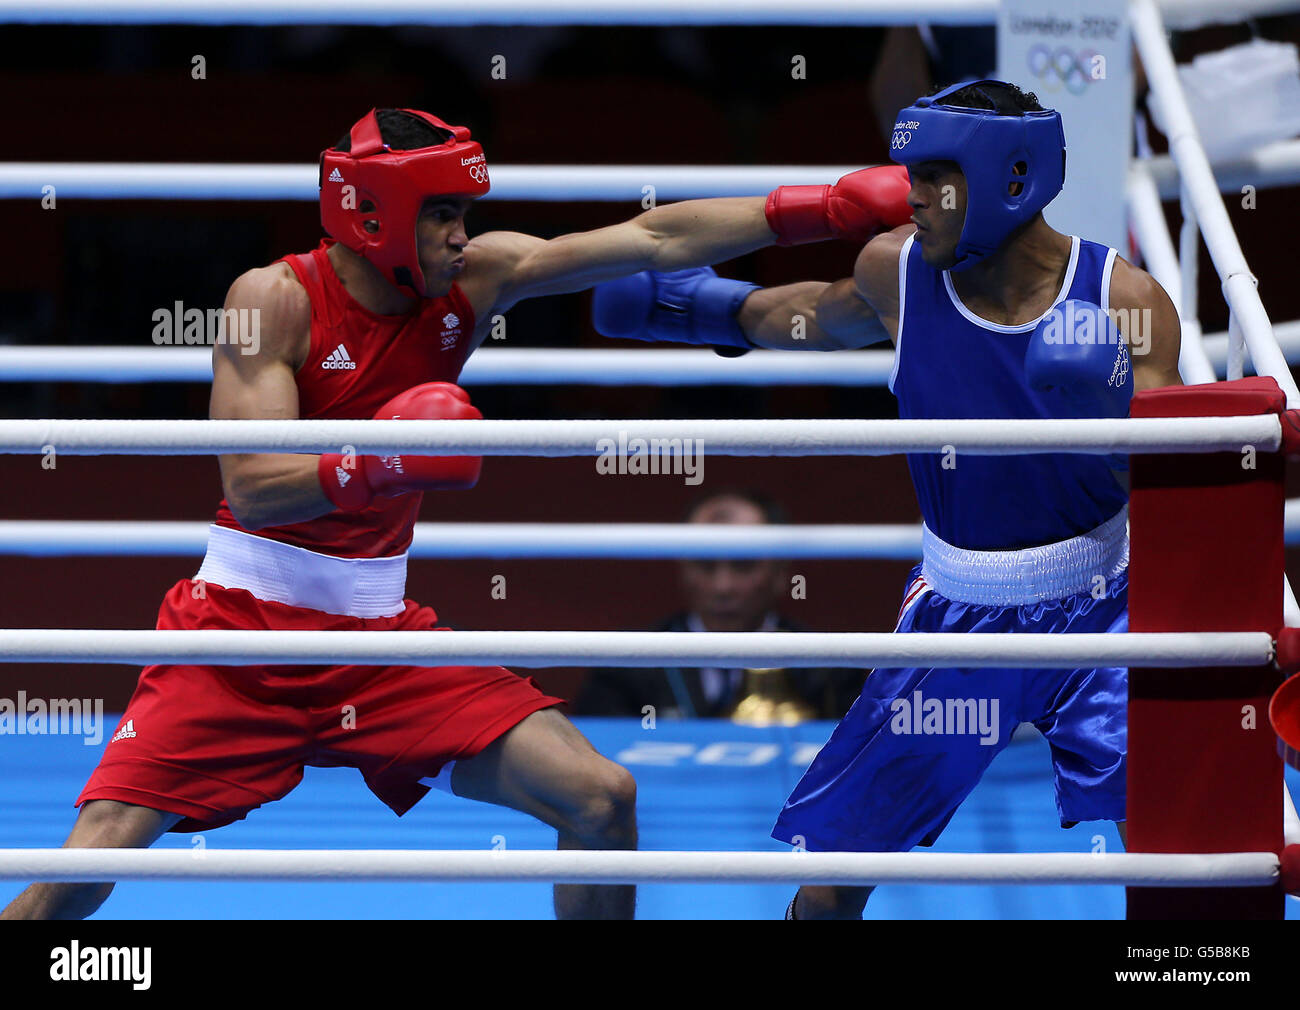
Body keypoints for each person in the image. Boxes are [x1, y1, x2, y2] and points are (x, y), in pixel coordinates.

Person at [1, 107, 914, 922]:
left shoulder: (470, 282)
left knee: (601, 798)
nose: (459, 234)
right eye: (441, 213)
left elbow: (652, 240)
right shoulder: (270, 300)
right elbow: (253, 484)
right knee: (75, 878)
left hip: (381, 640)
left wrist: (817, 210)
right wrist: (376, 456)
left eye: (461, 213)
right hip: (242, 638)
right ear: (373, 216)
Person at [592, 80, 1184, 919]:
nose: (912, 199)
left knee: (1175, 857)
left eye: (935, 178)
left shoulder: (1125, 303)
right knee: (829, 891)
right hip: (964, 616)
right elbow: (813, 316)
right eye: (910, 175)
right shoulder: (897, 270)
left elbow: (1179, 489)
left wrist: (1098, 417)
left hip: (1108, 605)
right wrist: (696, 309)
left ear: (1011, 179)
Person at [575, 490, 864, 719]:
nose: (722, 587)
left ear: (780, 572)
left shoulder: (828, 668)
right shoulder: (627, 663)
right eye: (705, 565)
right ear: (683, 569)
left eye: (743, 566)